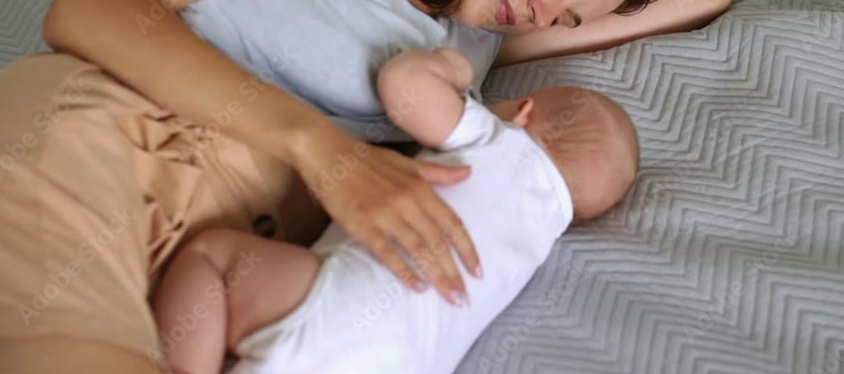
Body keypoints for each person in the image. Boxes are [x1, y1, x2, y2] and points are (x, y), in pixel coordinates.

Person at [0, 0, 731, 374]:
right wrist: (323, 152)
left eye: (568, 16)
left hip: (191, 262)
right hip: (82, 152)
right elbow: (90, 4)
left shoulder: (468, 49)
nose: (544, 12)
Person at [152, 47, 639, 374]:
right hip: (401, 361)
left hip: (331, 302)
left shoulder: (498, 141)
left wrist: (455, 69)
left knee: (213, 257)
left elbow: (402, 84)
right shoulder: (541, 237)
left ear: (524, 110)